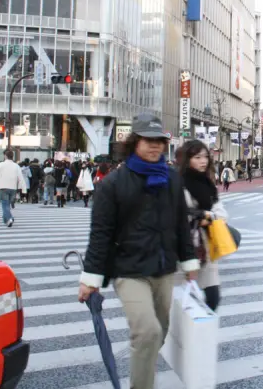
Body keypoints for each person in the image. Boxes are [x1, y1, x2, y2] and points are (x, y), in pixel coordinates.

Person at [78, 114, 199, 389]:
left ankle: (142, 371)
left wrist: (189, 261)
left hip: (164, 268)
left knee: (160, 332)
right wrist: (90, 279)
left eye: (159, 141)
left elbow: (181, 222)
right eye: (149, 140)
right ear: (134, 142)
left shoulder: (171, 179)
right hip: (128, 270)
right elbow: (101, 235)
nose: (155, 146)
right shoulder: (113, 184)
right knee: (147, 332)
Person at [179, 139, 227, 311]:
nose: (203, 161)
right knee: (186, 302)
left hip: (206, 248)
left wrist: (209, 215)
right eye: (197, 157)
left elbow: (221, 213)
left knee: (213, 297)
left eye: (205, 157)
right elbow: (177, 214)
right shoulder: (179, 183)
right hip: (185, 248)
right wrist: (201, 216)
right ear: (187, 159)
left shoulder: (208, 183)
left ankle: (200, 333)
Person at [0, 150, 27, 228]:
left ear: (5, 156)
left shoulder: (1, 165)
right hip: (13, 188)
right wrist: (24, 189)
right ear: (12, 157)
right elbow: (21, 178)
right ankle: (5, 219)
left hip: (3, 187)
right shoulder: (16, 166)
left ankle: (9, 218)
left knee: (5, 204)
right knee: (8, 204)